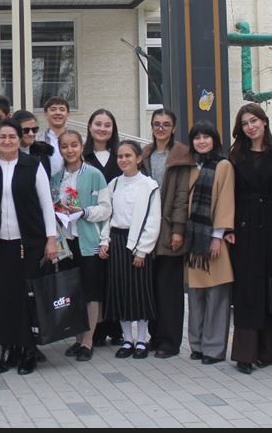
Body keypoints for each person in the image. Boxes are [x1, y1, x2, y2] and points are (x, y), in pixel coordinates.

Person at [0, 118, 58, 376]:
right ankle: (7, 349)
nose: (7, 141)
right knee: (2, 298)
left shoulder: (32, 165)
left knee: (26, 298)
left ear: (19, 139)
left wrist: (51, 239)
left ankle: (28, 350)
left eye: (12, 137)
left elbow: (46, 204)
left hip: (30, 244)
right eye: (3, 137)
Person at [228, 103, 272, 375]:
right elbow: (228, 195)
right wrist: (228, 227)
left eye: (254, 120)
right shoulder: (235, 155)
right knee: (246, 290)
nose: (250, 126)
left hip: (270, 227)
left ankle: (268, 350)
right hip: (243, 229)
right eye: (245, 123)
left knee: (268, 287)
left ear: (264, 122)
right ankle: (245, 353)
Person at [51, 130, 112, 361]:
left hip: (89, 242)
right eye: (65, 146)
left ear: (81, 146)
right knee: (72, 291)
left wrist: (84, 212)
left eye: (74, 145)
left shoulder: (95, 175)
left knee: (90, 292)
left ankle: (88, 341)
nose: (70, 150)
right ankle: (77, 339)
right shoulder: (56, 177)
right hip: (66, 243)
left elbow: (106, 208)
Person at [99, 140, 161, 360]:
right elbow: (107, 215)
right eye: (120, 156)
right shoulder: (114, 184)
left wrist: (142, 250)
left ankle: (142, 340)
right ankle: (127, 339)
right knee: (121, 292)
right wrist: (104, 241)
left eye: (128, 156)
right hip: (116, 241)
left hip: (137, 244)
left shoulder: (149, 185)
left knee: (140, 293)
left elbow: (153, 220)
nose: (124, 160)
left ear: (138, 158)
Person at [141, 108, 193, 359]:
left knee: (169, 288)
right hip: (148, 230)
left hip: (170, 228)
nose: (160, 128)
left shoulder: (180, 155)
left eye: (166, 124)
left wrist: (178, 229)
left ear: (173, 128)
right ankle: (155, 335)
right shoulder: (146, 155)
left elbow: (182, 196)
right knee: (151, 286)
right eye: (156, 124)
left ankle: (170, 341)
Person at [183, 121, 235, 366]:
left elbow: (225, 201)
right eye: (197, 137)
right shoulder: (191, 166)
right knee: (196, 296)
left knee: (216, 296)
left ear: (215, 139)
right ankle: (196, 344)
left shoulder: (223, 166)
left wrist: (217, 236)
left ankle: (213, 348)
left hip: (213, 241)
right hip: (193, 242)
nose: (201, 141)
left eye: (206, 137)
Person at [81, 108, 123, 347]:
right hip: (91, 227)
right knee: (94, 279)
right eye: (98, 123)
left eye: (107, 125)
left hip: (116, 225)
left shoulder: (120, 155)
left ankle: (115, 326)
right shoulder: (82, 157)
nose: (102, 128)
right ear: (89, 126)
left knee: (113, 277)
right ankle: (94, 330)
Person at [12, 110, 55, 178]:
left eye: (34, 129)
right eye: (26, 130)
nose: (31, 134)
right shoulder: (7, 154)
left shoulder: (42, 151)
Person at [40, 96, 70, 176]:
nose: (58, 112)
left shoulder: (80, 141)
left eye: (62, 109)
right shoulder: (37, 140)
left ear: (68, 114)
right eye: (53, 109)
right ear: (45, 114)